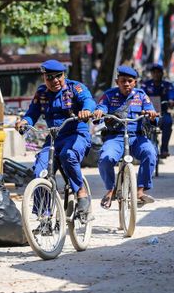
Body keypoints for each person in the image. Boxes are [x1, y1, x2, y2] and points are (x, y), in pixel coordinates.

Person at [15, 60, 95, 214]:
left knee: (68, 155)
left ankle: (81, 192)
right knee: (40, 171)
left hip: (76, 134)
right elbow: (32, 113)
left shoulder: (75, 88)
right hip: (54, 138)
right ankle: (43, 216)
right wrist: (24, 122)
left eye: (58, 76)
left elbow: (88, 100)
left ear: (64, 74)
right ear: (44, 78)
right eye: (50, 77)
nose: (55, 80)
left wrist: (86, 110)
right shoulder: (42, 92)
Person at [94, 66, 159, 209]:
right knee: (105, 159)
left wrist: (151, 115)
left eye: (130, 81)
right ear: (117, 81)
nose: (126, 84)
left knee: (150, 153)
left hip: (137, 138)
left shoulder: (141, 96)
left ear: (135, 82)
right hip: (115, 138)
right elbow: (102, 107)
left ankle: (140, 191)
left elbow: (152, 113)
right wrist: (99, 111)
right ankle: (110, 190)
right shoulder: (109, 95)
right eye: (123, 81)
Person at [141, 64, 174, 158]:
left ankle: (164, 149)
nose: (156, 74)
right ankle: (143, 148)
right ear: (151, 73)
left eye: (158, 72)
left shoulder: (168, 85)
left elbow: (172, 96)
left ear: (162, 73)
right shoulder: (145, 85)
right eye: (154, 72)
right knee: (141, 124)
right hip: (148, 114)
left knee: (168, 122)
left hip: (162, 113)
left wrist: (172, 101)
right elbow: (140, 96)